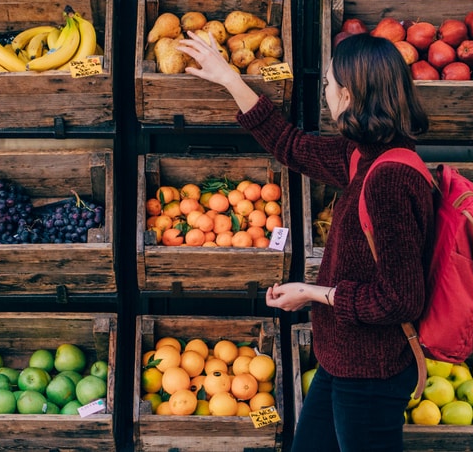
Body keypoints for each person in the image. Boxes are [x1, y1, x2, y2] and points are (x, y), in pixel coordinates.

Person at [178, 30, 434, 452]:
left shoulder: (389, 178)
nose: (325, 94)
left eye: (329, 85)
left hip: (372, 373)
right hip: (342, 359)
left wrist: (313, 293)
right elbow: (290, 145)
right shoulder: (363, 155)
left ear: (349, 96)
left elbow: (401, 300)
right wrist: (228, 78)